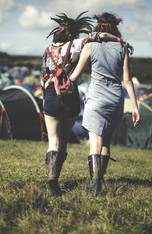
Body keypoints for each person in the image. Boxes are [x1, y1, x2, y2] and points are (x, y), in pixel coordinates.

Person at [41, 11, 124, 196]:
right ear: (74, 33)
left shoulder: (48, 51)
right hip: (71, 95)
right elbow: (99, 36)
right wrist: (120, 41)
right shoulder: (78, 44)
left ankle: (53, 177)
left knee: (53, 140)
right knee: (64, 141)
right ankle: (84, 179)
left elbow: (43, 78)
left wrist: (47, 95)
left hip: (52, 95)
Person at [69, 12, 140, 196]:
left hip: (96, 98)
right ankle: (100, 179)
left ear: (98, 26)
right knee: (106, 142)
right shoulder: (122, 47)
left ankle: (94, 184)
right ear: (115, 28)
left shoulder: (90, 46)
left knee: (95, 143)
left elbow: (75, 76)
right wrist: (134, 106)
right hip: (115, 99)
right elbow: (127, 80)